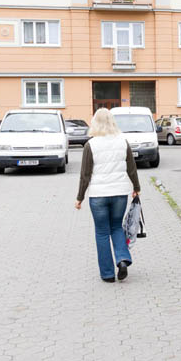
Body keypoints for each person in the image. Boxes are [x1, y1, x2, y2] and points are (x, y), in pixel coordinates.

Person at [75, 108, 141, 283]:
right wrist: (136, 187)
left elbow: (85, 175)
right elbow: (131, 168)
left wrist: (80, 197)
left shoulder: (91, 145)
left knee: (102, 232)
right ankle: (122, 260)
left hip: (98, 196)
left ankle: (107, 274)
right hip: (120, 194)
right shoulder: (123, 142)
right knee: (116, 227)